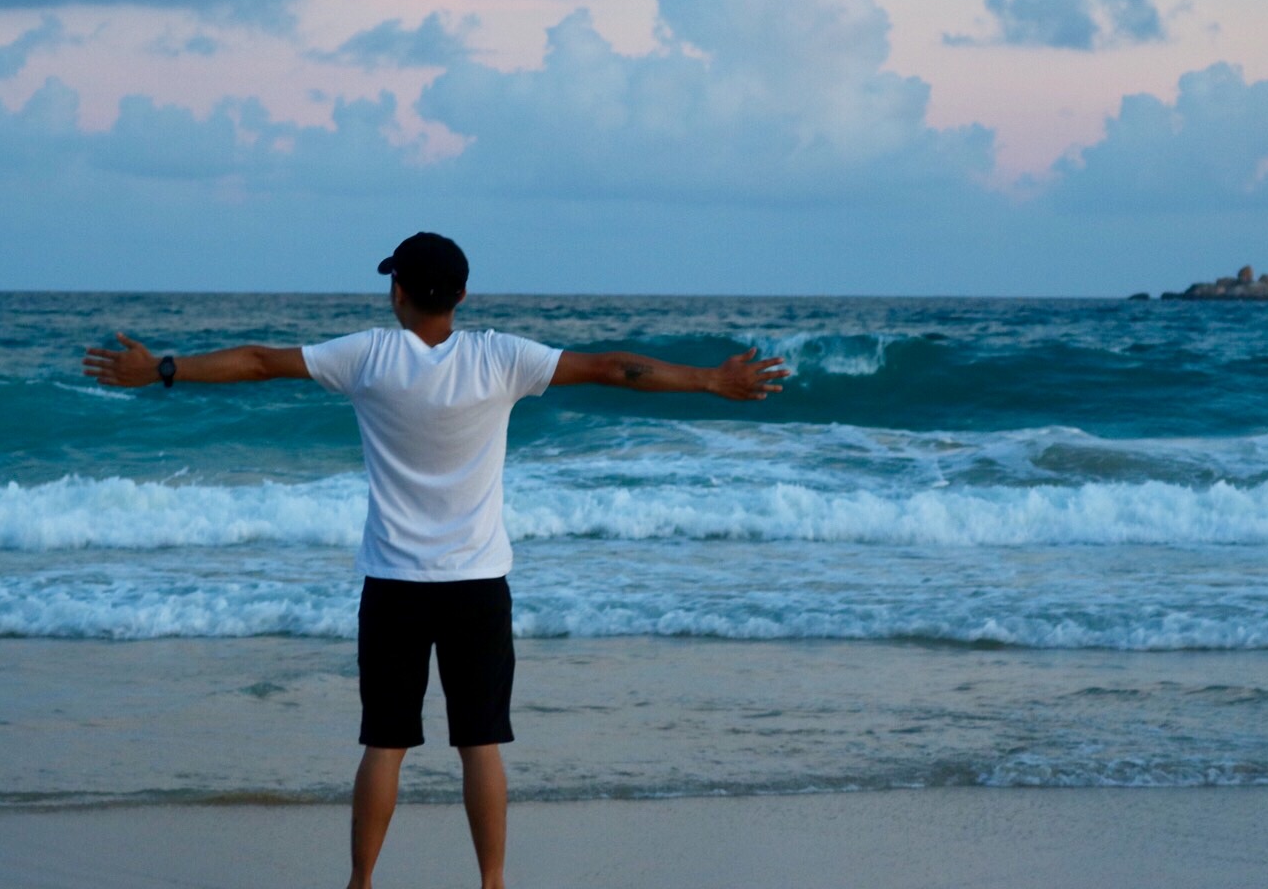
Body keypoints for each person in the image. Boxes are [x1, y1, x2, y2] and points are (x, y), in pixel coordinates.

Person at [83, 232, 788, 889]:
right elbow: (615, 367)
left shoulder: (367, 358)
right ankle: (492, 884)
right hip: (478, 586)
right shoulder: (501, 358)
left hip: (393, 586)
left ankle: (361, 885)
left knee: (384, 744)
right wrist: (707, 380)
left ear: (399, 294)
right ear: (460, 297)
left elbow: (262, 361)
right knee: (480, 744)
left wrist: (163, 369)